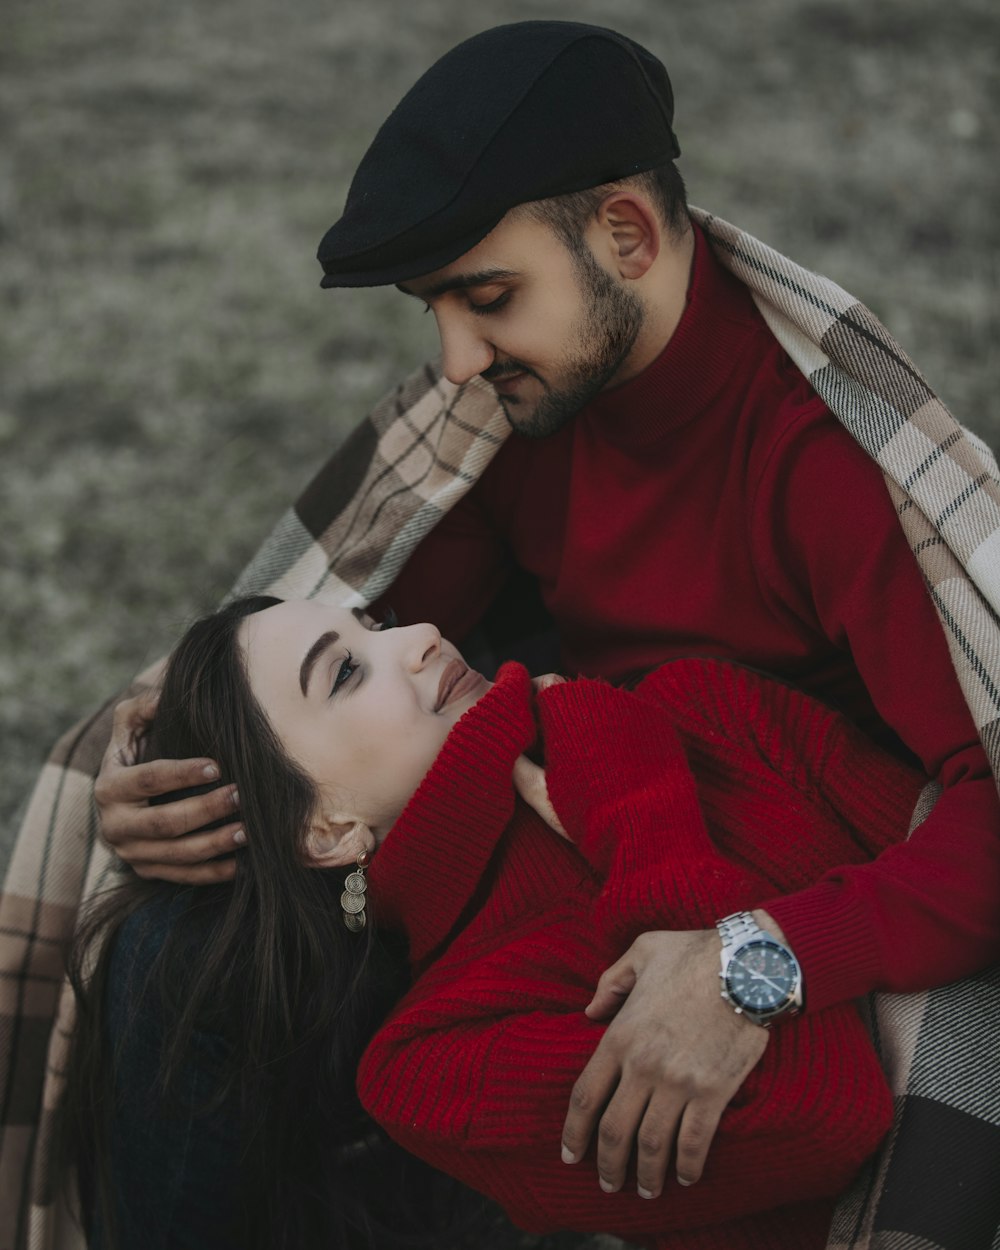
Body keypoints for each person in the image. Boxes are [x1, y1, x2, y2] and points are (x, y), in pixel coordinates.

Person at [91, 18, 1000, 1214]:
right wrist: (198, 777)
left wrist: (754, 961)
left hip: (756, 856)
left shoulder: (814, 466)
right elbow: (355, 644)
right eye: (436, 311)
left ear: (623, 233)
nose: (458, 360)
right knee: (174, 950)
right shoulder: (529, 414)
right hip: (531, 826)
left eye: (487, 297)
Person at [67, 594, 927, 1250]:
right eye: (346, 671)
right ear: (324, 831)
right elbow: (833, 1117)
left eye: (379, 622)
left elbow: (965, 874)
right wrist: (637, 815)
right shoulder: (436, 1064)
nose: (420, 638)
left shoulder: (704, 706)